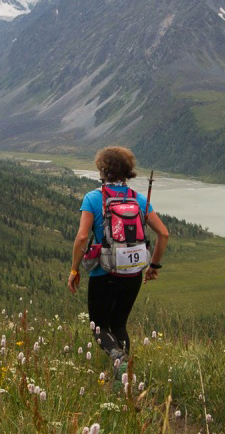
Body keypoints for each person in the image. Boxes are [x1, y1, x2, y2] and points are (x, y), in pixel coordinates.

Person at [67, 146, 169, 372]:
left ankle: (117, 359)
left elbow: (82, 237)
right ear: (127, 172)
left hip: (104, 273)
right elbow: (163, 233)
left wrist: (75, 270)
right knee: (119, 325)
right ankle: (124, 377)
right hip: (133, 273)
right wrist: (153, 266)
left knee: (98, 327)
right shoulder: (138, 199)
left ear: (103, 171)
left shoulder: (93, 198)